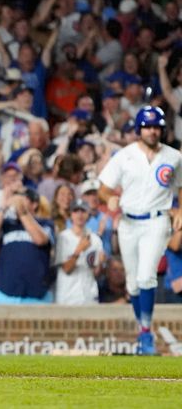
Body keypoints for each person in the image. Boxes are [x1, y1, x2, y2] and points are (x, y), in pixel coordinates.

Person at [97, 106, 182, 355]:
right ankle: (143, 329)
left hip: (156, 221)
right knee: (133, 284)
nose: (152, 131)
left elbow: (181, 187)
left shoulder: (174, 157)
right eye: (147, 126)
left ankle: (145, 334)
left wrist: (180, 211)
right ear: (139, 129)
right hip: (128, 222)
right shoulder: (125, 156)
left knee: (146, 276)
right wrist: (110, 198)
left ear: (162, 129)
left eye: (156, 127)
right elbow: (104, 188)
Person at [54, 199, 105, 305]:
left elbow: (96, 274)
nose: (79, 215)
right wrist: (79, 250)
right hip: (68, 296)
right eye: (76, 211)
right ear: (71, 215)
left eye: (83, 211)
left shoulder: (95, 240)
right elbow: (67, 269)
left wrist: (100, 264)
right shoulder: (63, 237)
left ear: (88, 214)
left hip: (89, 296)